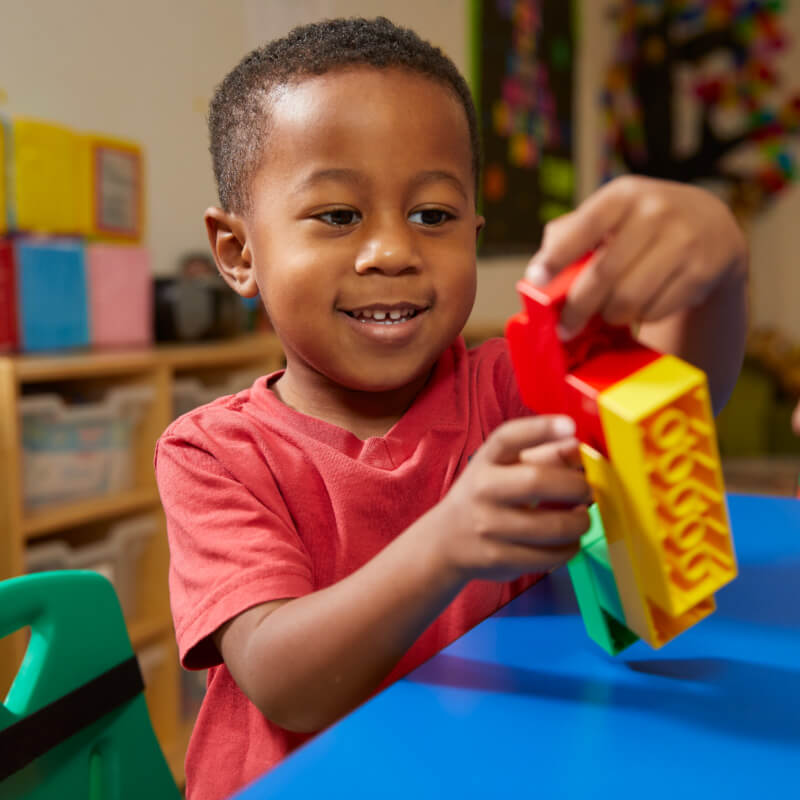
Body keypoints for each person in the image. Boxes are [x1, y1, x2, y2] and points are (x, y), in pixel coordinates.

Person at [154, 17, 748, 800]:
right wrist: (446, 545)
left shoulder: (506, 386)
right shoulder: (213, 451)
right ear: (238, 253)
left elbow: (674, 392)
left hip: (493, 764)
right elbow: (282, 680)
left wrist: (720, 267)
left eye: (433, 216)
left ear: (474, 230)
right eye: (338, 216)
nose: (393, 251)